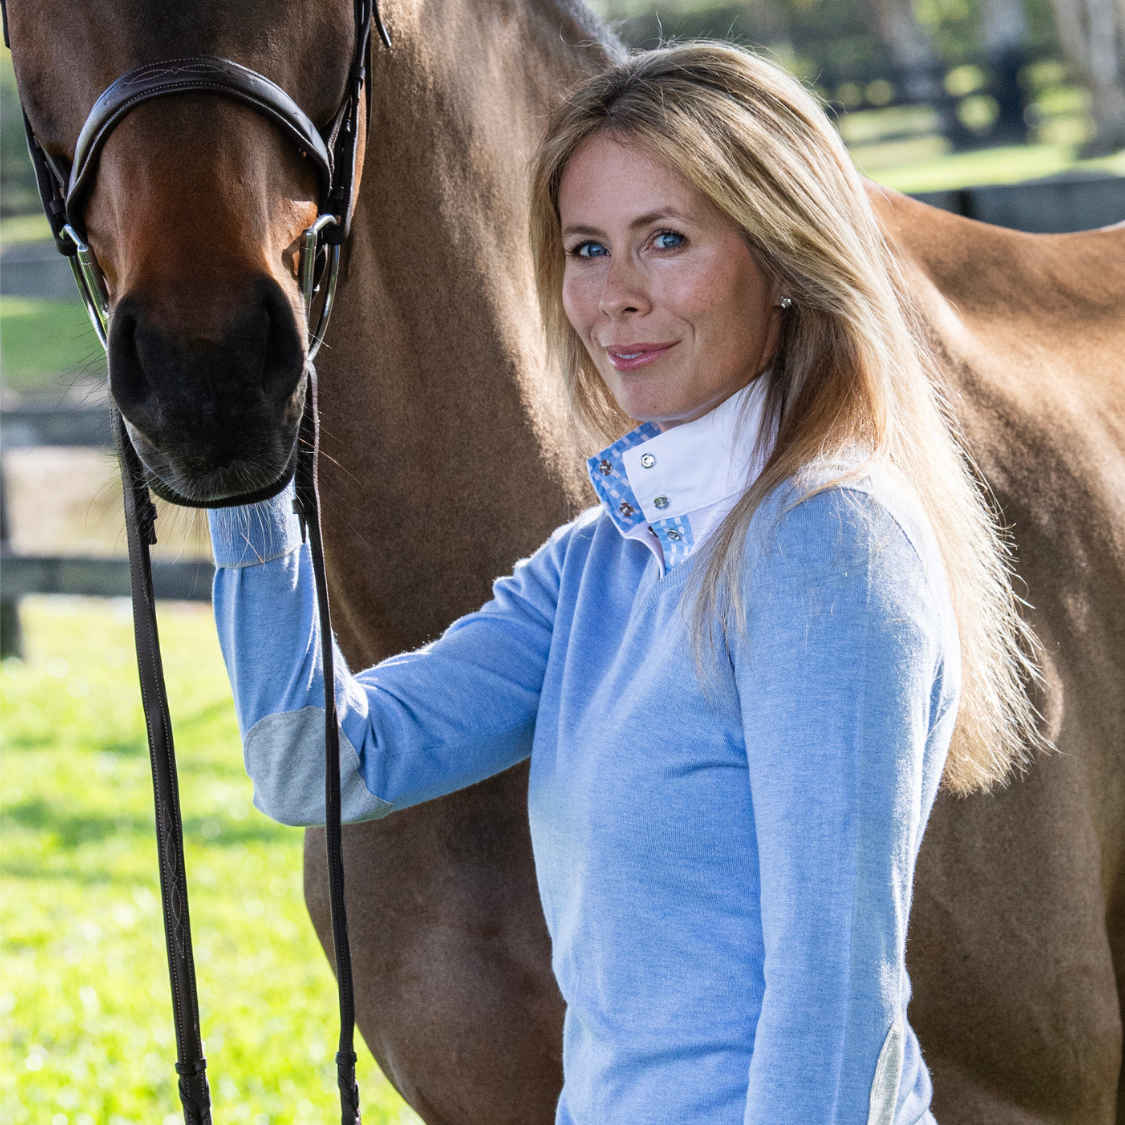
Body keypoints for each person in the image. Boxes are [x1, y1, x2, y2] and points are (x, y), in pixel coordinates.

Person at [208, 43, 1041, 1125]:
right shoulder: (604, 561)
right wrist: (241, 481)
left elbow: (836, 1001)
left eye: (666, 240)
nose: (616, 297)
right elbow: (319, 764)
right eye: (588, 248)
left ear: (785, 259)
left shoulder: (832, 545)